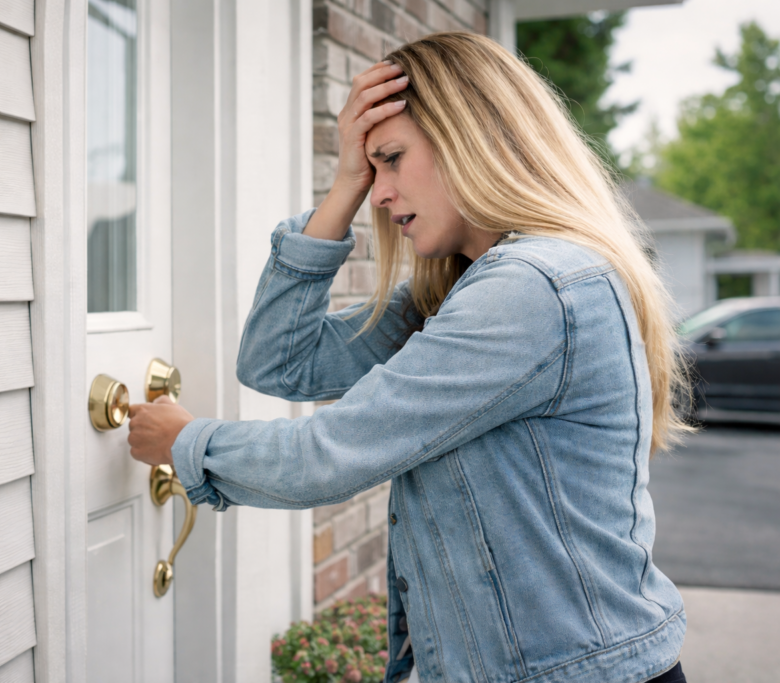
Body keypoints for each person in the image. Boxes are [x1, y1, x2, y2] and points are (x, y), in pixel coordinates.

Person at [128, 31, 690, 683]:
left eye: (391, 159)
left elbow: (325, 455)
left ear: (470, 138)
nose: (380, 193)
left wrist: (185, 440)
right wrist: (343, 184)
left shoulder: (529, 289)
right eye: (370, 170)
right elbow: (279, 364)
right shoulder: (457, 289)